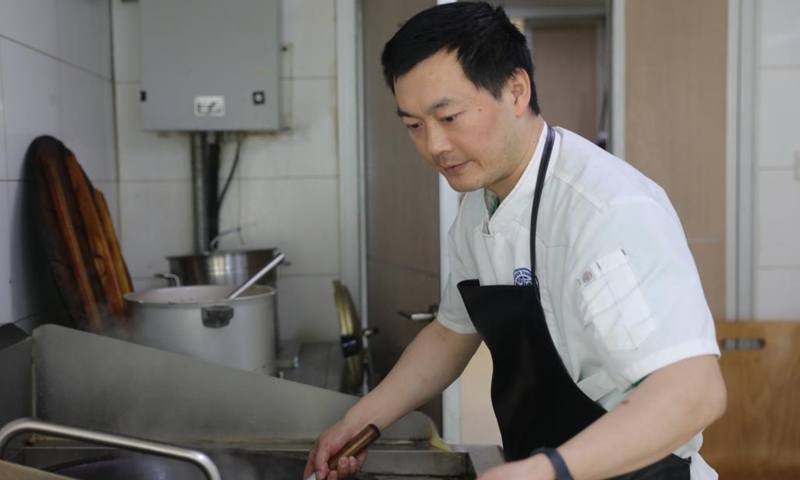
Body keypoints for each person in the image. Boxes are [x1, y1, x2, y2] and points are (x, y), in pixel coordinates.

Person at [303, 3, 727, 480]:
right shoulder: (479, 205)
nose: (434, 146)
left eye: (450, 117)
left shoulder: (605, 211)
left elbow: (694, 393)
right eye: (414, 126)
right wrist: (359, 421)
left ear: (516, 90)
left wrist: (544, 472)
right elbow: (451, 333)